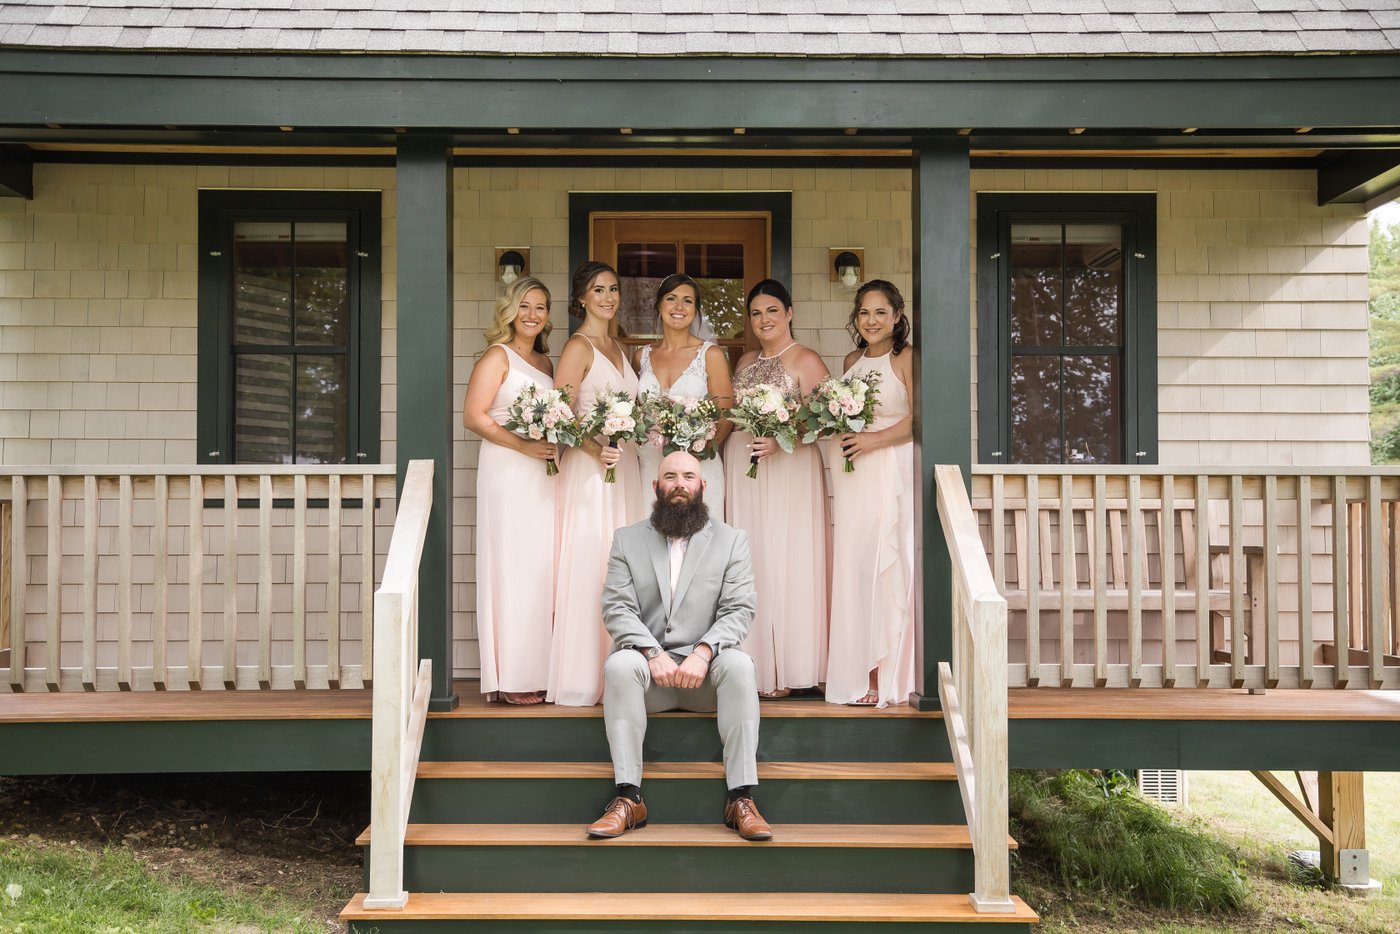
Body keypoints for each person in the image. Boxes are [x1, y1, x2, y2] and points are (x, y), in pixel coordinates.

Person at [588, 450, 771, 842]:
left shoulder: (731, 540)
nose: (679, 484)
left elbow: (739, 609)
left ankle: (741, 797)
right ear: (656, 487)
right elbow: (616, 607)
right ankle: (628, 797)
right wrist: (651, 653)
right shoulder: (627, 539)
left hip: (706, 678)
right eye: (670, 476)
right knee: (619, 665)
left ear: (703, 486)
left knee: (739, 665)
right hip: (650, 678)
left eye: (689, 476)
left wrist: (703, 653)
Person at [723, 280, 831, 699]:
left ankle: (791, 666)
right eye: (755, 313)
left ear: (789, 312)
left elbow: (822, 419)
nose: (763, 319)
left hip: (788, 468)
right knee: (752, 559)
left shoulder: (805, 359)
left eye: (771, 310)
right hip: (745, 466)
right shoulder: (746, 359)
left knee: (788, 558)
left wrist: (783, 436)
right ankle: (752, 662)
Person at [546, 261, 646, 707]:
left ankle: (621, 674)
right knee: (592, 565)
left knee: (622, 569)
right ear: (581, 298)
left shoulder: (619, 347)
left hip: (622, 468)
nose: (607, 297)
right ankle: (583, 677)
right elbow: (560, 415)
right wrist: (594, 449)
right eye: (597, 290)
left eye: (612, 289)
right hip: (592, 471)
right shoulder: (578, 346)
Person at [461, 277, 558, 705]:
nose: (533, 314)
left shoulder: (546, 363)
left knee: (540, 569)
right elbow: (474, 416)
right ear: (510, 311)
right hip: (507, 470)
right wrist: (523, 445)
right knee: (511, 567)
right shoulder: (496, 356)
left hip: (543, 474)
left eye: (540, 307)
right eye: (525, 306)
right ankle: (511, 676)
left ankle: (537, 670)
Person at [825, 280, 918, 708]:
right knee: (857, 568)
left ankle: (887, 673)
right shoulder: (851, 360)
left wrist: (872, 441)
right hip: (852, 479)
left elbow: (920, 420)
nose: (872, 320)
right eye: (864, 312)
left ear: (897, 316)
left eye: (881, 312)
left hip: (889, 470)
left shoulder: (907, 358)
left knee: (887, 564)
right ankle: (857, 670)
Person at [634, 273, 733, 517]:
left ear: (696, 310)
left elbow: (727, 414)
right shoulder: (641, 356)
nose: (679, 307)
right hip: (651, 465)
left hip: (698, 465)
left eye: (688, 301)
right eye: (671, 298)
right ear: (659, 305)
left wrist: (700, 451)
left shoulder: (710, 355)